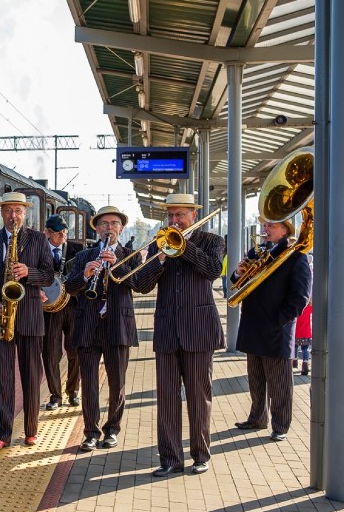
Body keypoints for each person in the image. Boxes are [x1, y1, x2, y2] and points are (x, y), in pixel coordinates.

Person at [135, 193, 224, 476]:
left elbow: (211, 271)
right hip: (167, 331)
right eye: (171, 215)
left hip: (199, 330)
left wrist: (183, 247)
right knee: (167, 399)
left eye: (180, 215)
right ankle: (171, 459)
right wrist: (160, 258)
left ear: (193, 216)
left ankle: (200, 455)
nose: (174, 220)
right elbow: (142, 285)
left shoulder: (212, 241)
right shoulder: (158, 243)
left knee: (200, 396)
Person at [0, 191, 53, 451]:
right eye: (8, 211)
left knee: (31, 378)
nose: (13, 216)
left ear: (25, 213)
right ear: (2, 213)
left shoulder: (39, 239)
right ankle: (1, 434)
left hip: (30, 317)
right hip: (1, 317)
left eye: (18, 211)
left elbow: (49, 276)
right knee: (2, 379)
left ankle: (31, 430)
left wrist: (28, 272)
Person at [65, 206, 141, 452]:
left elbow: (139, 284)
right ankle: (90, 432)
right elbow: (69, 287)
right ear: (97, 229)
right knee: (88, 383)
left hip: (118, 325)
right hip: (88, 324)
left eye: (115, 223)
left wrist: (117, 264)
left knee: (117, 382)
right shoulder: (82, 256)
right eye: (105, 224)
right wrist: (86, 276)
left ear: (121, 228)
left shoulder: (131, 255)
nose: (110, 228)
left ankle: (112, 430)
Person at [231, 219, 311, 441]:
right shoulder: (256, 253)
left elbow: (300, 298)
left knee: (279, 383)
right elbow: (237, 282)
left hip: (277, 329)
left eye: (271, 225)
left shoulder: (296, 257)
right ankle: (257, 418)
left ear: (285, 230)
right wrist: (238, 273)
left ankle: (281, 425)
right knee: (255, 379)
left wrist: (279, 320)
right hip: (253, 325)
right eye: (264, 225)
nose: (265, 229)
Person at [40, 214, 82, 411]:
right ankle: (55, 395)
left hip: (72, 306)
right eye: (58, 233)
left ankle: (73, 392)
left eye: (65, 232)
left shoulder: (77, 249)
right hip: (49, 308)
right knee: (51, 354)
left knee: (75, 352)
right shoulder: (39, 250)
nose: (63, 236)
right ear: (47, 233)